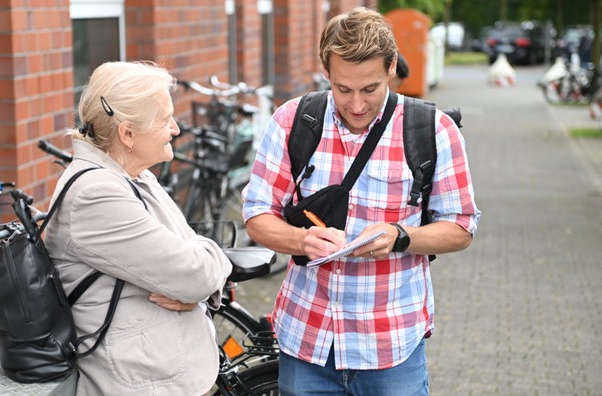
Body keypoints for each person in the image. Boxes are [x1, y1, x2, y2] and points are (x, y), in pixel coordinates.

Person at [242, 7, 480, 395]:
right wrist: (301, 241)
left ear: (391, 69)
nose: (356, 105)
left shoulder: (433, 130)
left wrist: (400, 236)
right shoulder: (293, 121)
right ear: (326, 73)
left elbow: (461, 227)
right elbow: (256, 215)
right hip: (306, 341)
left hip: (391, 348)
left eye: (369, 89)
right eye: (342, 89)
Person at [44, 61, 232, 395]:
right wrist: (198, 280)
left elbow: (193, 266)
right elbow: (196, 273)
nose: (176, 129)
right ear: (127, 134)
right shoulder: (96, 194)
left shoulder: (134, 175)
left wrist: (195, 284)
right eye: (165, 120)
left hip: (164, 372)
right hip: (142, 384)